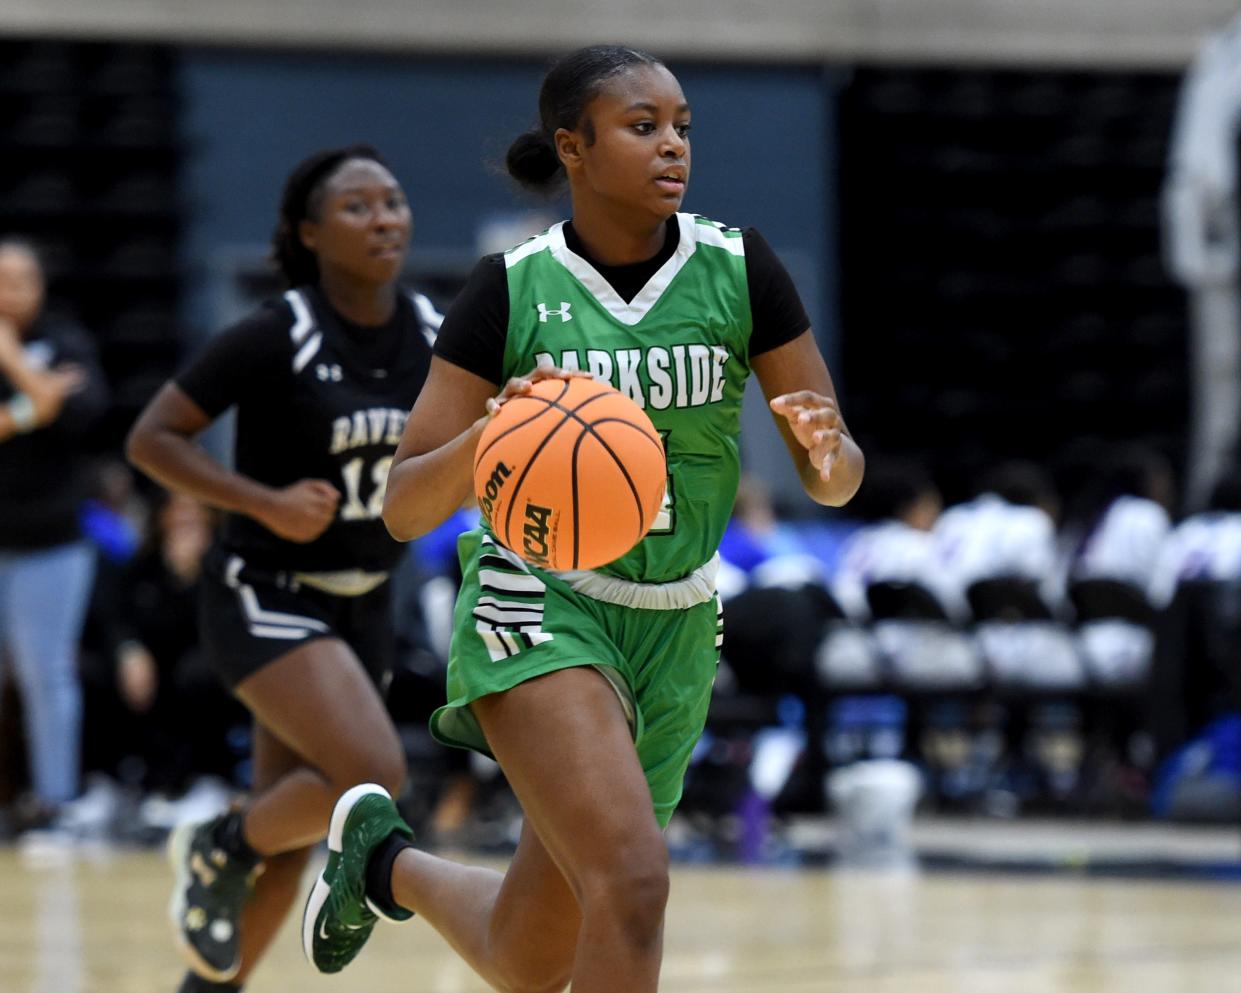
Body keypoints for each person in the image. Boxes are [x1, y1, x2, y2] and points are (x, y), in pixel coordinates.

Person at [302, 46, 864, 993]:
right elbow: (402, 507)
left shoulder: (740, 268)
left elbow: (839, 481)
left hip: (676, 617)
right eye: (642, 127)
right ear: (573, 146)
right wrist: (492, 437)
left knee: (532, 954)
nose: (671, 145)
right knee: (635, 885)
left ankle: (381, 862)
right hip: (539, 602)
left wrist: (826, 452)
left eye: (682, 125)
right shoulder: (509, 288)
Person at [125, 145, 439, 993]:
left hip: (365, 601)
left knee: (297, 829)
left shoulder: (433, 334)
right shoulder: (278, 332)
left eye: (394, 201)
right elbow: (151, 438)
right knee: (374, 775)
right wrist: (257, 501)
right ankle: (219, 839)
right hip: (264, 595)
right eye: (358, 206)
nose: (384, 219)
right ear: (310, 232)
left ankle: (208, 981)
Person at [0, 238, 109, 835]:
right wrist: (33, 402)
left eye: (21, 279)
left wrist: (13, 360)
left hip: (52, 538)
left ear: (39, 285)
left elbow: (85, 411)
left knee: (47, 672)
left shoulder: (65, 339)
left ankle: (56, 802)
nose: (10, 291)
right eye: (0, 279)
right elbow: (45, 403)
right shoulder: (52, 361)